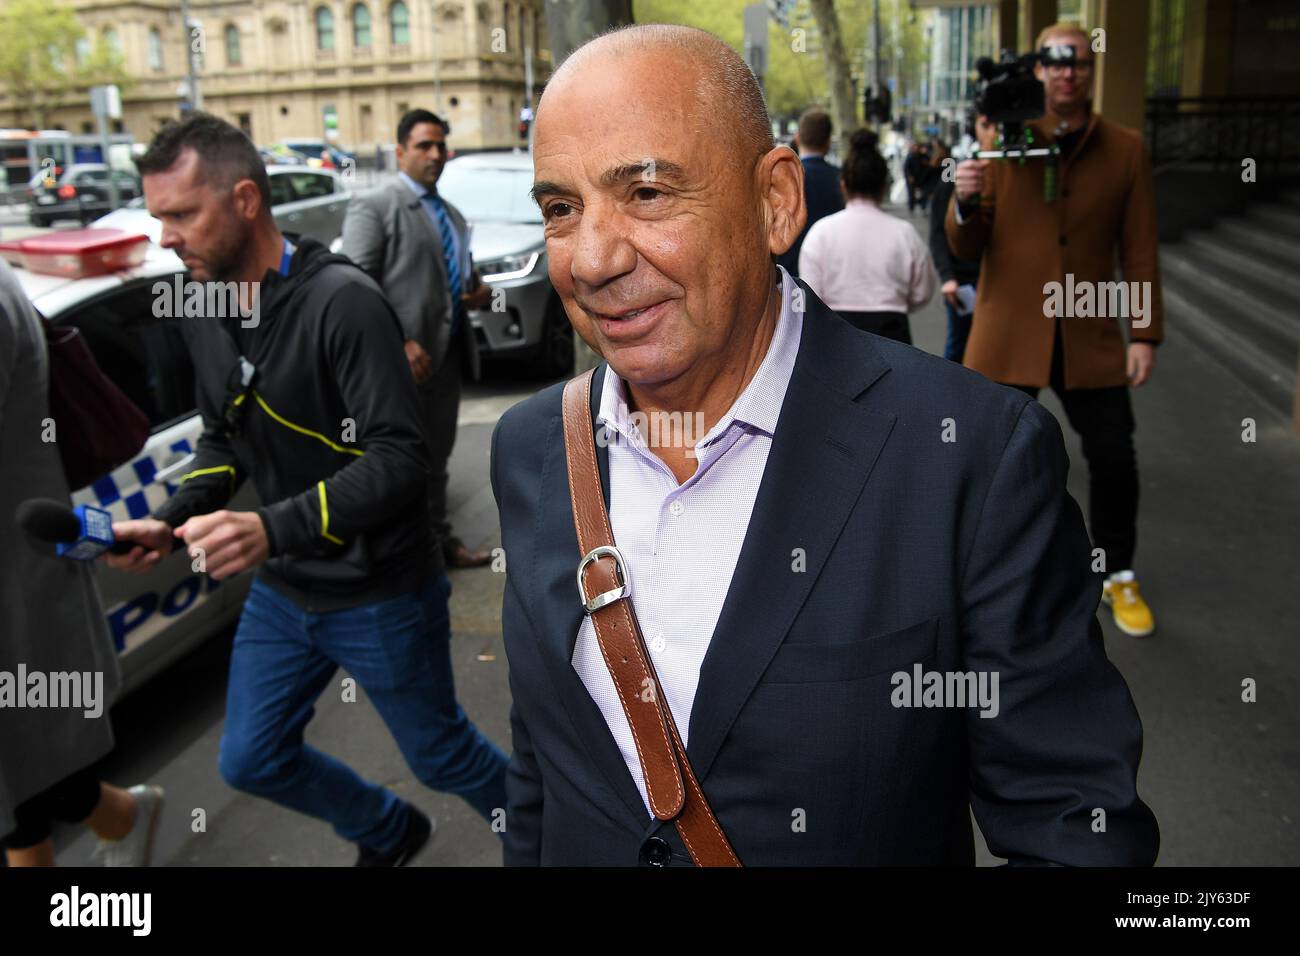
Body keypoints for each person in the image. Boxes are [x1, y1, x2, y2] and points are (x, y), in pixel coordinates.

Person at [492, 24, 1158, 866]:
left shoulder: (971, 460)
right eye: (561, 208)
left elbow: (1076, 829)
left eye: (648, 193)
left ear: (776, 200)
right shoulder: (530, 450)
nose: (591, 258)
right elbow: (541, 768)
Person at [109, 113, 508, 866]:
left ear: (247, 200)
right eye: (157, 216)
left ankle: (548, 839)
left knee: (442, 756)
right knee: (250, 758)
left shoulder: (344, 302)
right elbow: (223, 437)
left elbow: (399, 458)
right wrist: (174, 516)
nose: (165, 237)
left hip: (382, 591)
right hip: (287, 592)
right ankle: (389, 831)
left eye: (182, 214)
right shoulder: (201, 301)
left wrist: (269, 528)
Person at [946, 22, 1163, 637]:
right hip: (1012, 330)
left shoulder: (1125, 149)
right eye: (1053, 61)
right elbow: (969, 240)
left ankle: (1117, 573)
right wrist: (964, 199)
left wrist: (1144, 333)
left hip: (1089, 335)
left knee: (1114, 456)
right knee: (995, 462)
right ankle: (994, 579)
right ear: (1037, 71)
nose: (1067, 72)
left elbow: (1139, 247)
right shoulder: (1005, 137)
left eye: (1078, 62)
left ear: (1091, 72)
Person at [0, 259, 164, 867]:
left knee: (24, 783)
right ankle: (125, 817)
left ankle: (125, 817)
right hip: (26, 575)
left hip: (19, 594)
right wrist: (99, 536)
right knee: (26, 786)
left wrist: (96, 536)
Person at [341, 108, 494, 570]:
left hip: (444, 359)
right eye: (424, 145)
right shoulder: (376, 205)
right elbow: (354, 284)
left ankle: (436, 542)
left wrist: (479, 293)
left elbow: (460, 277)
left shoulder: (451, 214)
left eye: (440, 146)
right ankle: (397, 551)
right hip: (395, 365)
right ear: (400, 151)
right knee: (394, 458)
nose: (435, 155)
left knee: (436, 457)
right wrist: (399, 341)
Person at [799, 128, 936, 344]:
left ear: (843, 184)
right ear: (883, 186)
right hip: (893, 334)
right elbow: (922, 292)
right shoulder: (904, 233)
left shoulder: (821, 233)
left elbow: (810, 294)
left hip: (834, 335)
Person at [929, 118, 995, 362]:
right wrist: (948, 277)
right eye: (987, 124)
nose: (994, 132)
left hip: (1002, 285)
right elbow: (937, 230)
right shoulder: (954, 173)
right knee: (958, 347)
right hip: (965, 282)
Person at [774, 108, 844, 279]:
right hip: (831, 274)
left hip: (789, 276)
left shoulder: (782, 179)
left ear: (797, 138)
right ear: (828, 142)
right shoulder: (842, 180)